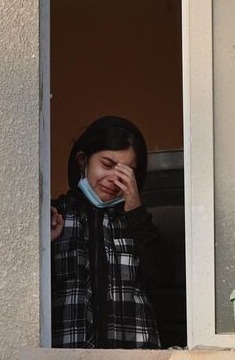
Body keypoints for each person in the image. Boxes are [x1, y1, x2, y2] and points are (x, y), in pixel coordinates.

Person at [51, 116, 163, 349]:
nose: (114, 178)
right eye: (107, 164)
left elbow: (161, 277)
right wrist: (45, 242)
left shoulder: (136, 222)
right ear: (83, 161)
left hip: (135, 352)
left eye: (126, 171)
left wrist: (135, 212)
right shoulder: (55, 216)